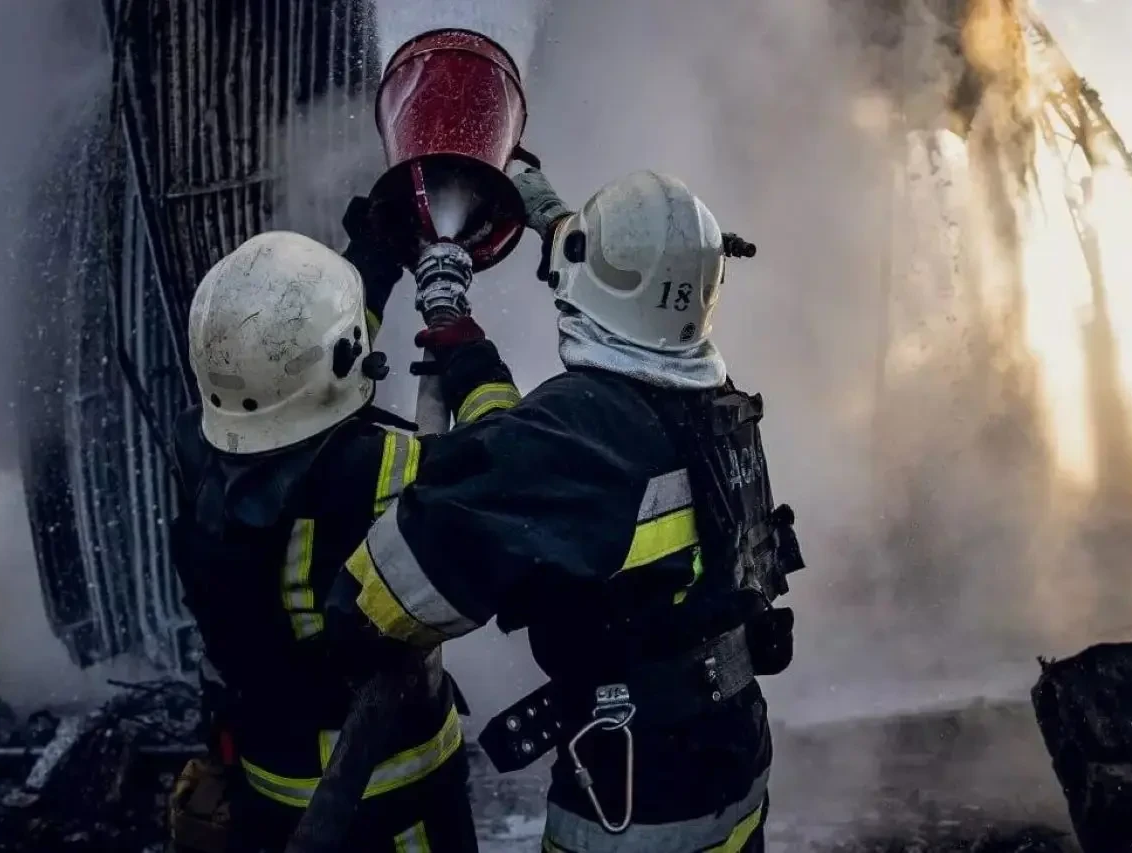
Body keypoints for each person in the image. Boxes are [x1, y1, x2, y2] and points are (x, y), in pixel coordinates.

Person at [324, 167, 806, 852]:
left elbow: (381, 599)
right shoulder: (712, 400)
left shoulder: (576, 432)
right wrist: (473, 354)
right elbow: (535, 455)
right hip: (731, 756)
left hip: (633, 803)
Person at [166, 203, 521, 853]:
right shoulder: (372, 470)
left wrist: (376, 256)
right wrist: (470, 358)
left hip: (266, 786)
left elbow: (297, 364)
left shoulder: (200, 446)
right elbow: (511, 467)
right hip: (390, 802)